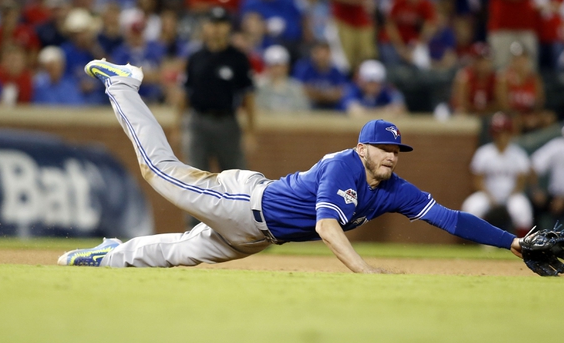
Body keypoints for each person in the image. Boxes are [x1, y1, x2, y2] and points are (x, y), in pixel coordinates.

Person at [58, 58, 526, 270]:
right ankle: (123, 83)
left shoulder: (392, 187)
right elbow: (326, 228)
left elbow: (451, 218)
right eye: (383, 147)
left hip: (258, 234)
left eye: (396, 150)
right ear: (361, 147)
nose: (390, 155)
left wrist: (514, 244)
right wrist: (365, 274)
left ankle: (110, 255)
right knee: (158, 170)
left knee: (179, 253)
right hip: (244, 201)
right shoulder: (345, 164)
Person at [178, 6, 256, 175]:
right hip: (198, 121)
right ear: (205, 27)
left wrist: (250, 132)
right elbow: (184, 92)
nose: (216, 29)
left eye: (221, 24)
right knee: (196, 176)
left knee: (236, 177)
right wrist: (178, 127)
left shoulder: (238, 58)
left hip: (226, 122)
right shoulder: (195, 57)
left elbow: (248, 95)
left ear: (228, 27)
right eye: (213, 24)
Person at [461, 112, 533, 237]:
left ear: (510, 133)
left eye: (504, 132)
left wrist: (510, 195)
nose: (501, 136)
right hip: (488, 194)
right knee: (470, 207)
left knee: (522, 210)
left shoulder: (518, 153)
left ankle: (522, 245)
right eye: (498, 132)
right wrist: (490, 196)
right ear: (493, 134)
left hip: (512, 195)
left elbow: (521, 181)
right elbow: (477, 180)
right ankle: (479, 243)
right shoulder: (484, 153)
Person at [494, 41, 556, 133]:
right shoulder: (504, 79)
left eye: (522, 57)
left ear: (527, 59)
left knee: (549, 118)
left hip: (530, 113)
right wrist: (522, 118)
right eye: (516, 58)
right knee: (514, 121)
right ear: (511, 60)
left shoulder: (534, 79)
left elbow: (540, 101)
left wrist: (533, 116)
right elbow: (504, 106)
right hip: (513, 116)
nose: (519, 61)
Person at [341, 59, 407, 117]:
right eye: (370, 82)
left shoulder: (387, 90)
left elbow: (399, 108)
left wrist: (368, 112)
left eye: (376, 82)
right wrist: (384, 111)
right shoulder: (353, 90)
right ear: (362, 82)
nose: (373, 86)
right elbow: (354, 112)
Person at [255, 45, 310, 112]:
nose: (277, 70)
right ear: (268, 68)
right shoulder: (261, 87)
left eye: (280, 66)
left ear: (287, 67)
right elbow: (258, 109)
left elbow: (303, 110)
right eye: (274, 66)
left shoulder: (296, 87)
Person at [450, 42, 497, 115]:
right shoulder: (464, 78)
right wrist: (477, 111)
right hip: (469, 114)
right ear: (473, 61)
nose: (482, 64)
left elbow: (501, 104)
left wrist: (484, 110)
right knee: (460, 113)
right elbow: (461, 104)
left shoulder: (496, 78)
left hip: (489, 114)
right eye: (479, 60)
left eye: (485, 60)